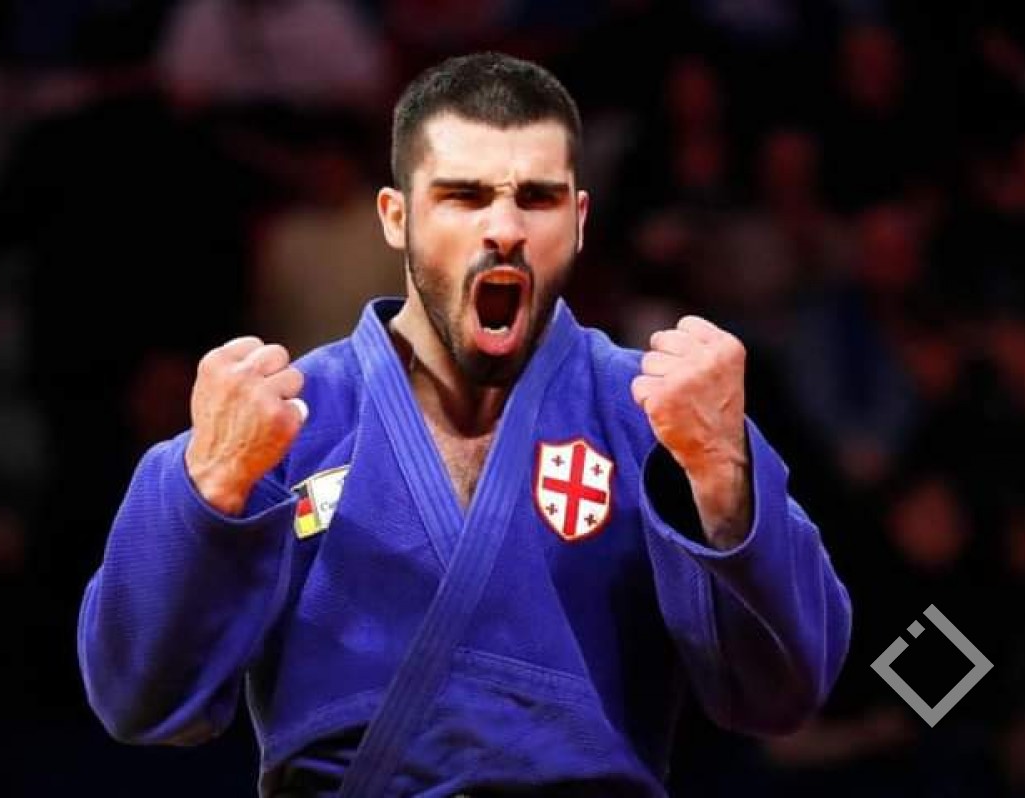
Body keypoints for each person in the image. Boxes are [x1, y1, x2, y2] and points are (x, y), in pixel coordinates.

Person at [77, 52, 852, 796]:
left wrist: (722, 476)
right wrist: (206, 486)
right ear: (396, 217)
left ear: (580, 219)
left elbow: (782, 696)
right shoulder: (290, 418)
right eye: (464, 196)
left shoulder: (651, 412)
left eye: (538, 198)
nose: (505, 228)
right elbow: (136, 702)